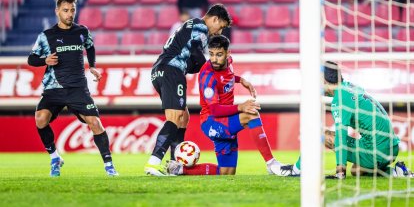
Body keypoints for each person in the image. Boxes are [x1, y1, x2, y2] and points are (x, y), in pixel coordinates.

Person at [28, 0, 118, 177]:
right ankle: (55, 158)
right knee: (40, 119)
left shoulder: (82, 31)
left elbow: (90, 46)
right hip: (54, 88)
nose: (69, 14)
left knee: (95, 123)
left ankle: (109, 165)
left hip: (78, 88)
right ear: (57, 11)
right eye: (65, 10)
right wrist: (45, 60)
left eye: (72, 10)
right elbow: (31, 59)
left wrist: (92, 66)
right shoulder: (47, 35)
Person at [166, 35, 282, 176]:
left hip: (225, 118)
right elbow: (214, 110)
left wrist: (242, 80)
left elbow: (227, 76)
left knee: (226, 173)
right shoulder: (207, 76)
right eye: (211, 54)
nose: (214, 59)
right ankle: (271, 164)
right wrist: (240, 107)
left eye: (219, 55)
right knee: (251, 115)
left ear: (228, 53)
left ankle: (180, 169)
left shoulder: (229, 63)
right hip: (212, 122)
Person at [278, 61, 411, 179]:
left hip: (378, 151)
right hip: (392, 147)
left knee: (318, 134)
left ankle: (297, 170)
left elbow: (340, 138)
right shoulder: (350, 87)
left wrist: (340, 170)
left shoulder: (340, 99)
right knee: (356, 170)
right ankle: (396, 171)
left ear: (324, 81)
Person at [145, 4, 232, 176]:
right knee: (175, 117)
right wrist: (212, 67)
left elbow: (192, 58)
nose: (219, 32)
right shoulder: (200, 26)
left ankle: (174, 166)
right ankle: (153, 163)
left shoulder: (190, 25)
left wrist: (199, 65)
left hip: (162, 70)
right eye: (220, 27)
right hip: (172, 70)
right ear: (214, 19)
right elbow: (196, 54)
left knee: (183, 117)